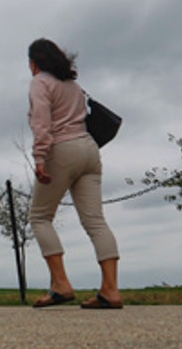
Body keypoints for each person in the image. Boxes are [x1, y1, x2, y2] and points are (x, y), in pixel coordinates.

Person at [24, 38, 123, 310]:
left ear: (34, 63)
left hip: (62, 149)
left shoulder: (40, 82)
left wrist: (40, 157)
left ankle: (60, 284)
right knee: (96, 221)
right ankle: (111, 290)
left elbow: (41, 121)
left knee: (40, 216)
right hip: (89, 149)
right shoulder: (74, 85)